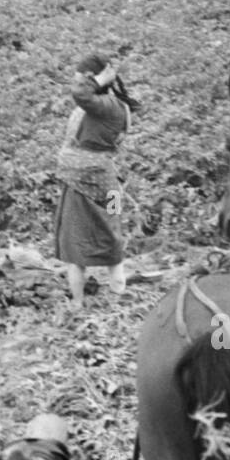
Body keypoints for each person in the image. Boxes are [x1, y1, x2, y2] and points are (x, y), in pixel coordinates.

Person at [55, 51, 137, 309]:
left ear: (93, 79)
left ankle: (87, 301)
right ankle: (112, 292)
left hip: (89, 181)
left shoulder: (107, 106)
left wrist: (101, 80)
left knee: (79, 243)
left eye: (81, 79)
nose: (77, 83)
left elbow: (81, 95)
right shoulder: (104, 104)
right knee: (110, 232)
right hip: (95, 179)